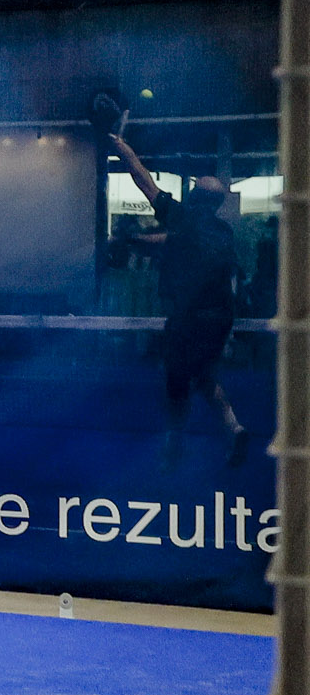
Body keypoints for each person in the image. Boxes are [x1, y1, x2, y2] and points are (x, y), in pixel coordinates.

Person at [108, 132, 250, 468]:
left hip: (189, 317)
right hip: (220, 317)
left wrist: (122, 147)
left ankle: (173, 443)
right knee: (204, 375)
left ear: (195, 198)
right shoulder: (222, 233)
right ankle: (234, 426)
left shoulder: (184, 218)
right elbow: (171, 244)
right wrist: (137, 240)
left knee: (176, 378)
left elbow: (143, 180)